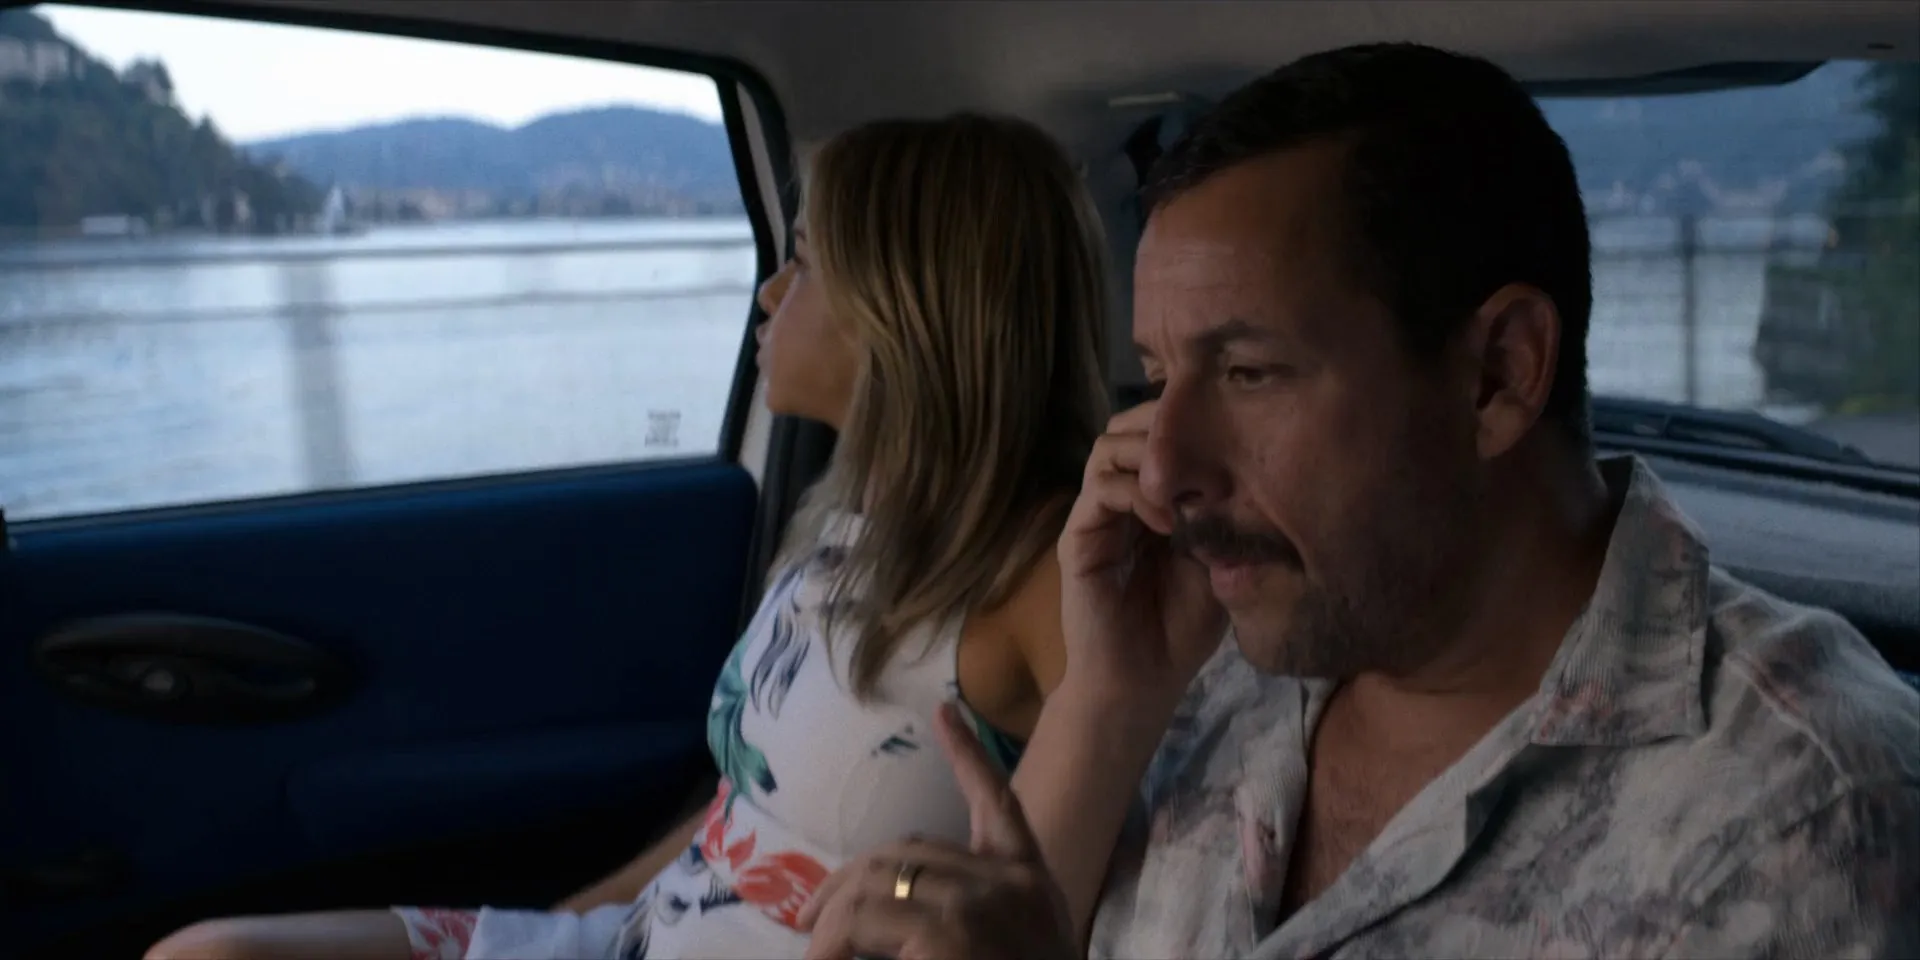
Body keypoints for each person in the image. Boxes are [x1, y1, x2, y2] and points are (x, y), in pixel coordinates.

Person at [796, 43, 1920, 960]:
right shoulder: (1223, 650)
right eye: (1158, 376)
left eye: (1249, 373)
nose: (1163, 469)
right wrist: (1110, 697)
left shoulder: (1798, 813)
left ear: (1498, 377)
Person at [144, 111, 1111, 960]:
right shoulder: (850, 524)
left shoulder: (1045, 571)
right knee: (208, 954)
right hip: (632, 938)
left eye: (806, 261)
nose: (770, 292)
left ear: (901, 308)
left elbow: (1060, 907)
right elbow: (735, 822)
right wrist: (548, 930)